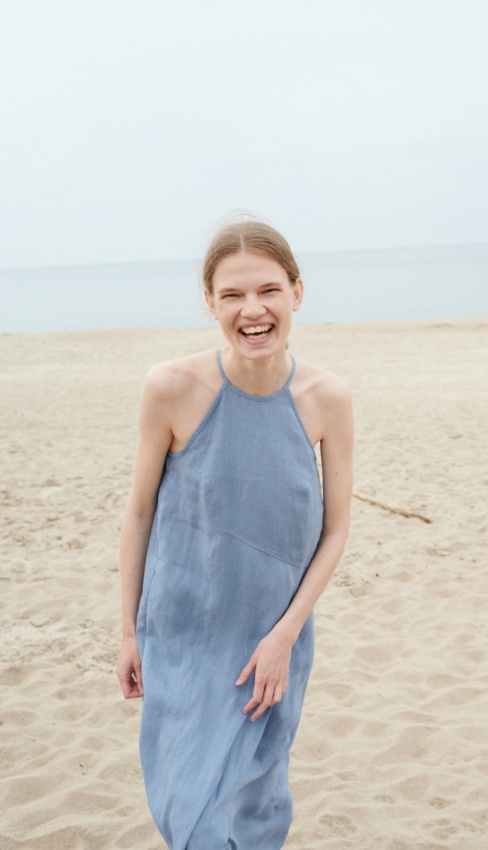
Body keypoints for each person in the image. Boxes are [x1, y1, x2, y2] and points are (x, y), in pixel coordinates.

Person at [115, 219, 354, 850]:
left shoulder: (327, 398)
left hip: (273, 642)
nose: (253, 310)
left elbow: (335, 531)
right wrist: (128, 633)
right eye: (232, 296)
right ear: (210, 303)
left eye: (269, 290)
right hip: (182, 631)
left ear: (297, 293)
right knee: (187, 806)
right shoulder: (170, 387)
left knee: (255, 805)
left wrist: (284, 635)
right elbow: (139, 513)